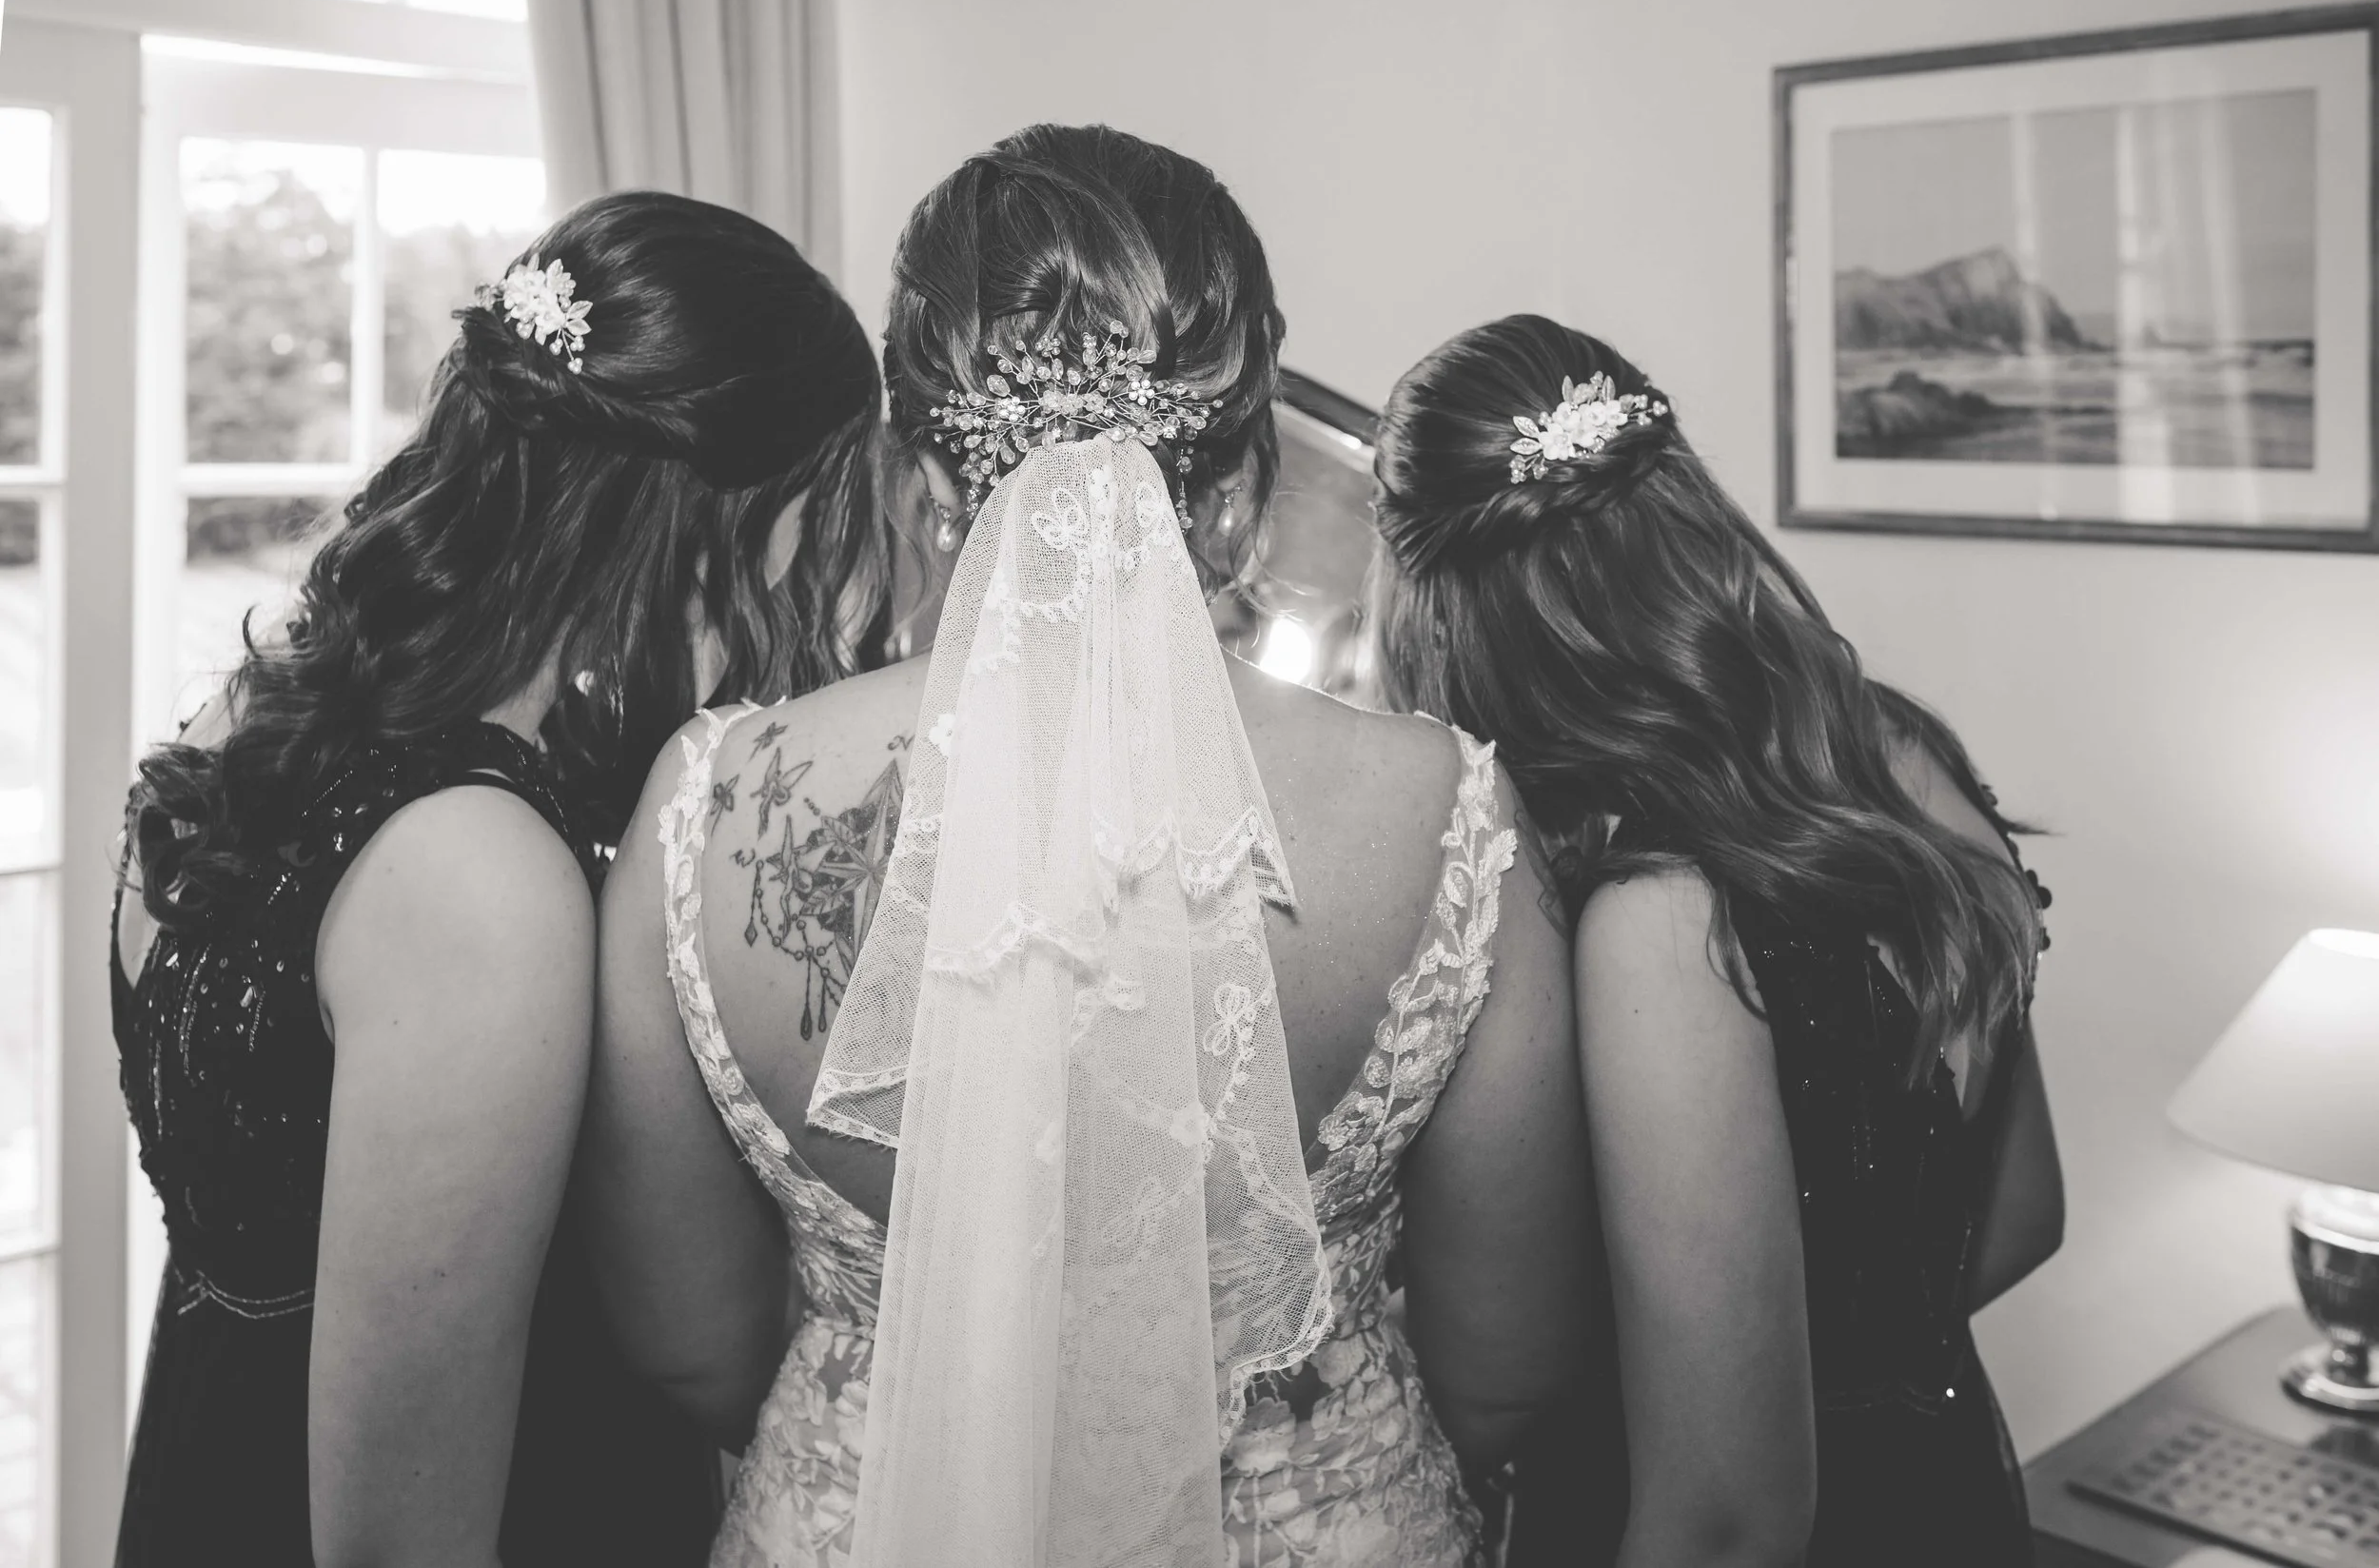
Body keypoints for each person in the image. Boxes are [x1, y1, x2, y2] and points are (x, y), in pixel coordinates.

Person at [580, 126, 1599, 1568]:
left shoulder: (706, 801)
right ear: (1242, 492)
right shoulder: (1447, 816)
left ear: (926, 483)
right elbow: (1509, 1358)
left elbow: (691, 1343)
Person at [112, 189, 887, 1568]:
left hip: (207, 1466)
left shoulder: (252, 721)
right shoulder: (480, 883)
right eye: (822, 512)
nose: (822, 574)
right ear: (721, 514)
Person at [1366, 312, 2065, 1567]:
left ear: (1439, 603)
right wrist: (1844, 1384)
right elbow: (2018, 1216)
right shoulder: (1900, 758)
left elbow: (1727, 1523)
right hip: (1949, 1504)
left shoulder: (1664, 921)